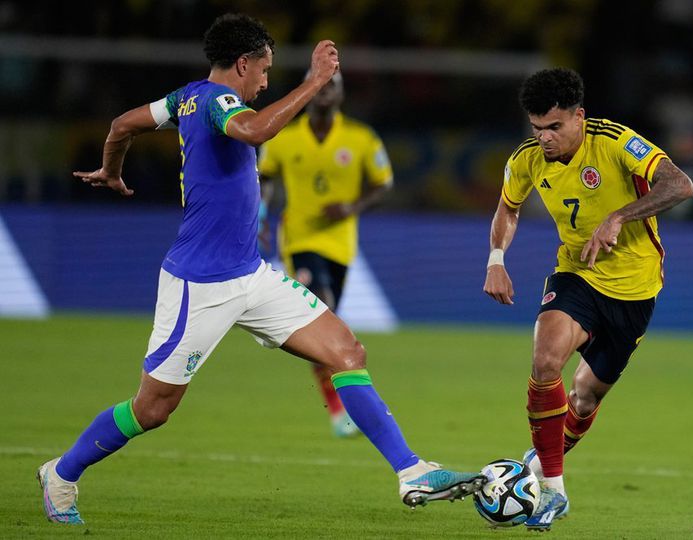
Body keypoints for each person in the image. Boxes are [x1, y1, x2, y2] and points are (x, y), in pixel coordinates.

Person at [38, 13, 483, 525]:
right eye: (265, 70)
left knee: (346, 351)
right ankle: (63, 473)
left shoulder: (184, 97)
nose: (266, 81)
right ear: (243, 64)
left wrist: (112, 172)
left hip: (251, 275)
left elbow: (121, 125)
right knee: (153, 409)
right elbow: (251, 132)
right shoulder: (217, 101)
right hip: (199, 285)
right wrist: (313, 82)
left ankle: (412, 471)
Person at [483, 68, 693, 531]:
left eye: (555, 127)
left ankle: (539, 466)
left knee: (582, 400)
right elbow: (508, 207)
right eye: (537, 129)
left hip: (635, 291)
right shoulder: (526, 159)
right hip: (576, 274)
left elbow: (680, 185)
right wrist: (496, 258)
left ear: (579, 117)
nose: (545, 139)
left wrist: (619, 216)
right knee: (545, 362)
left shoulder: (617, 142)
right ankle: (555, 491)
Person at [258, 71, 393, 438]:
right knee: (323, 306)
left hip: (341, 245)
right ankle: (338, 408)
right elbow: (265, 177)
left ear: (341, 95)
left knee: (328, 322)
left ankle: (335, 398)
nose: (325, 91)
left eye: (332, 85)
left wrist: (351, 207)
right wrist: (260, 215)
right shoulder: (284, 136)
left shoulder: (361, 139)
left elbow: (384, 183)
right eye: (319, 85)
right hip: (299, 240)